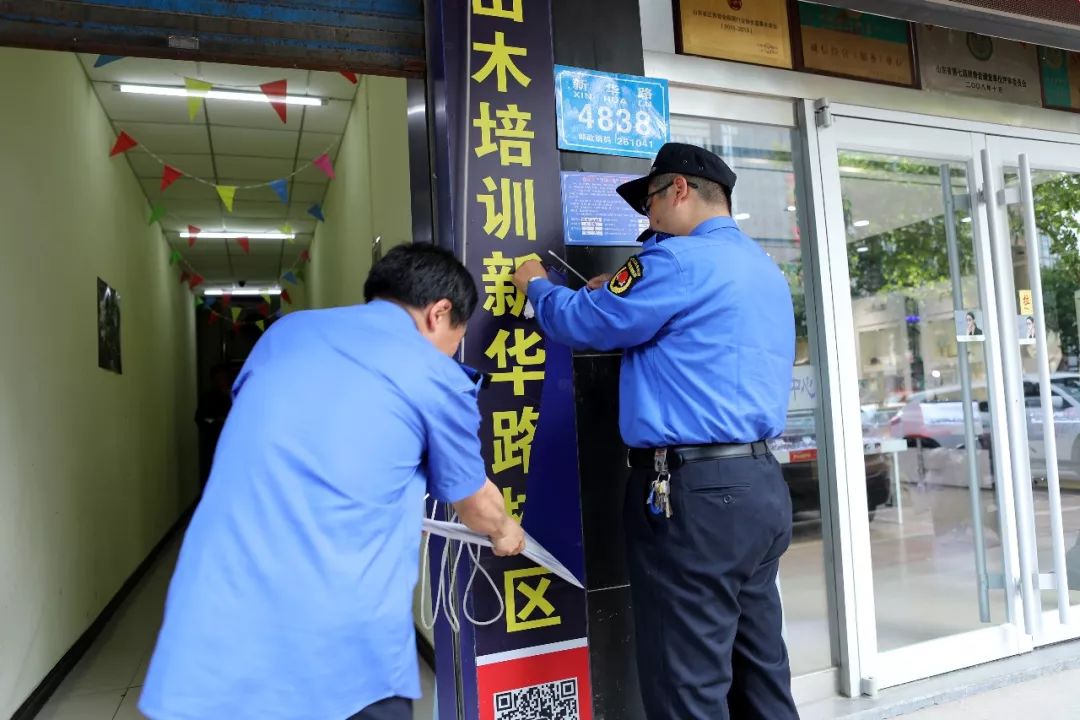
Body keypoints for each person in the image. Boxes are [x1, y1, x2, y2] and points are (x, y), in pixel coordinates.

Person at [140, 244, 525, 720]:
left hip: (212, 620)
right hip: (338, 644)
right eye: (455, 339)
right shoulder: (436, 375)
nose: (452, 352)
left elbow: (293, 440)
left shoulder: (285, 333)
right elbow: (477, 506)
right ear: (438, 313)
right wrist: (507, 532)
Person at [512, 142, 799, 719]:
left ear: (680, 190)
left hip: (694, 499)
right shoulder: (763, 268)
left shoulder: (675, 261)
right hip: (761, 488)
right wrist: (617, 291)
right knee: (760, 673)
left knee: (685, 683)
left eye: (650, 202)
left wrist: (536, 285)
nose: (649, 220)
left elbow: (580, 323)